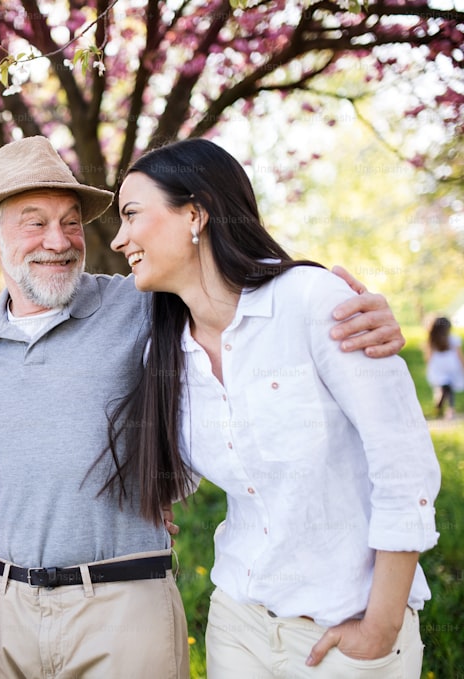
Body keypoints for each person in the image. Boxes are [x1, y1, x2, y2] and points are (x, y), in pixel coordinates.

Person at [0, 135, 408, 679]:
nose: (59, 240)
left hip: (123, 599)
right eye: (34, 221)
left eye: (71, 221)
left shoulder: (147, 301)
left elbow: (243, 292)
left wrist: (363, 310)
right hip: (7, 607)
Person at [107, 137, 441, 678]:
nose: (119, 239)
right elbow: (182, 473)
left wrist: (379, 626)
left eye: (131, 215)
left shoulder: (315, 303)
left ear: (194, 213)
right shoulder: (166, 348)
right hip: (239, 625)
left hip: (345, 630)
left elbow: (405, 467)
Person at [425, 315, 464, 420]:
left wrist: (429, 367)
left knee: (445, 388)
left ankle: (445, 408)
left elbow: (428, 356)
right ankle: (445, 407)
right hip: (450, 366)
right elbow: (459, 355)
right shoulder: (451, 339)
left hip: (439, 367)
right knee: (447, 388)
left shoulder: (433, 340)